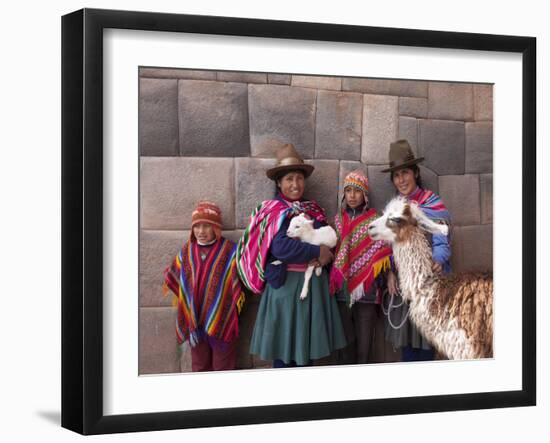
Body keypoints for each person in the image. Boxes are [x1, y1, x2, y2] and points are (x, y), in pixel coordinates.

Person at [236, 143, 346, 368]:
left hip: (312, 290)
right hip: (285, 289)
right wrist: (317, 251)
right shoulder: (272, 211)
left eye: (298, 178)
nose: (295, 184)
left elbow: (327, 237)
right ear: (279, 182)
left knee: (307, 351)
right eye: (289, 179)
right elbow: (280, 248)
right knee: (285, 353)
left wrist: (327, 254)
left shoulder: (312, 210)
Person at [382, 139, 452, 362]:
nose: (401, 180)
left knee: (426, 344)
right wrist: (391, 272)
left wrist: (438, 260)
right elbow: (391, 245)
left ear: (415, 172)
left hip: (430, 283)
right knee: (408, 344)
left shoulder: (432, 202)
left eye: (405, 173)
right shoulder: (395, 208)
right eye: (396, 175)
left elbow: (442, 237)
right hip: (406, 286)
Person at [163, 201, 245, 372]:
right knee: (199, 368)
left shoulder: (231, 251)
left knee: (223, 368)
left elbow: (243, 282)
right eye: (197, 226)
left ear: (216, 227)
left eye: (206, 226)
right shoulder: (186, 252)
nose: (201, 231)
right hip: (195, 323)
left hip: (222, 320)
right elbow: (175, 278)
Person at [329, 170, 393, 364]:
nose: (352, 195)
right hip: (341, 291)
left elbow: (385, 251)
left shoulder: (376, 220)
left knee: (364, 347)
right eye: (348, 191)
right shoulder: (338, 221)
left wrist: (390, 274)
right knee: (344, 344)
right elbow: (333, 250)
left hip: (367, 291)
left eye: (357, 191)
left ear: (364, 194)